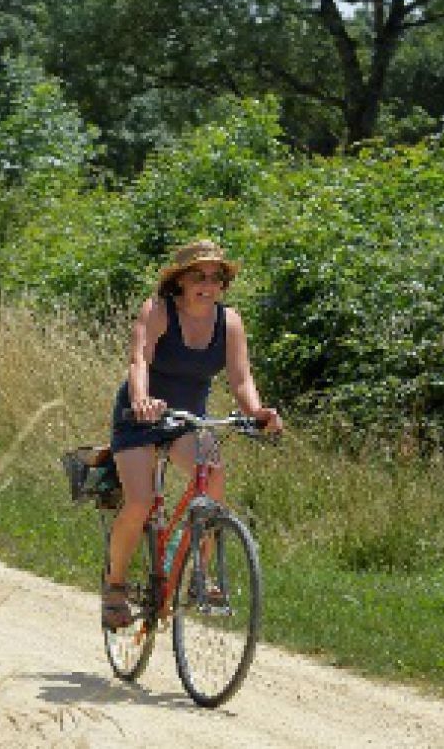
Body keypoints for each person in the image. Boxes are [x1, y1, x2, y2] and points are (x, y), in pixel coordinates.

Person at [101, 238, 282, 629]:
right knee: (140, 501)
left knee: (213, 479)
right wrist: (142, 399)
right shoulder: (159, 311)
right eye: (199, 276)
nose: (208, 284)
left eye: (216, 277)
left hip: (187, 419)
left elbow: (240, 377)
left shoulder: (229, 321)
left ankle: (198, 573)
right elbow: (139, 360)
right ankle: (114, 585)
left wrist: (256, 411)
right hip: (141, 415)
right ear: (180, 280)